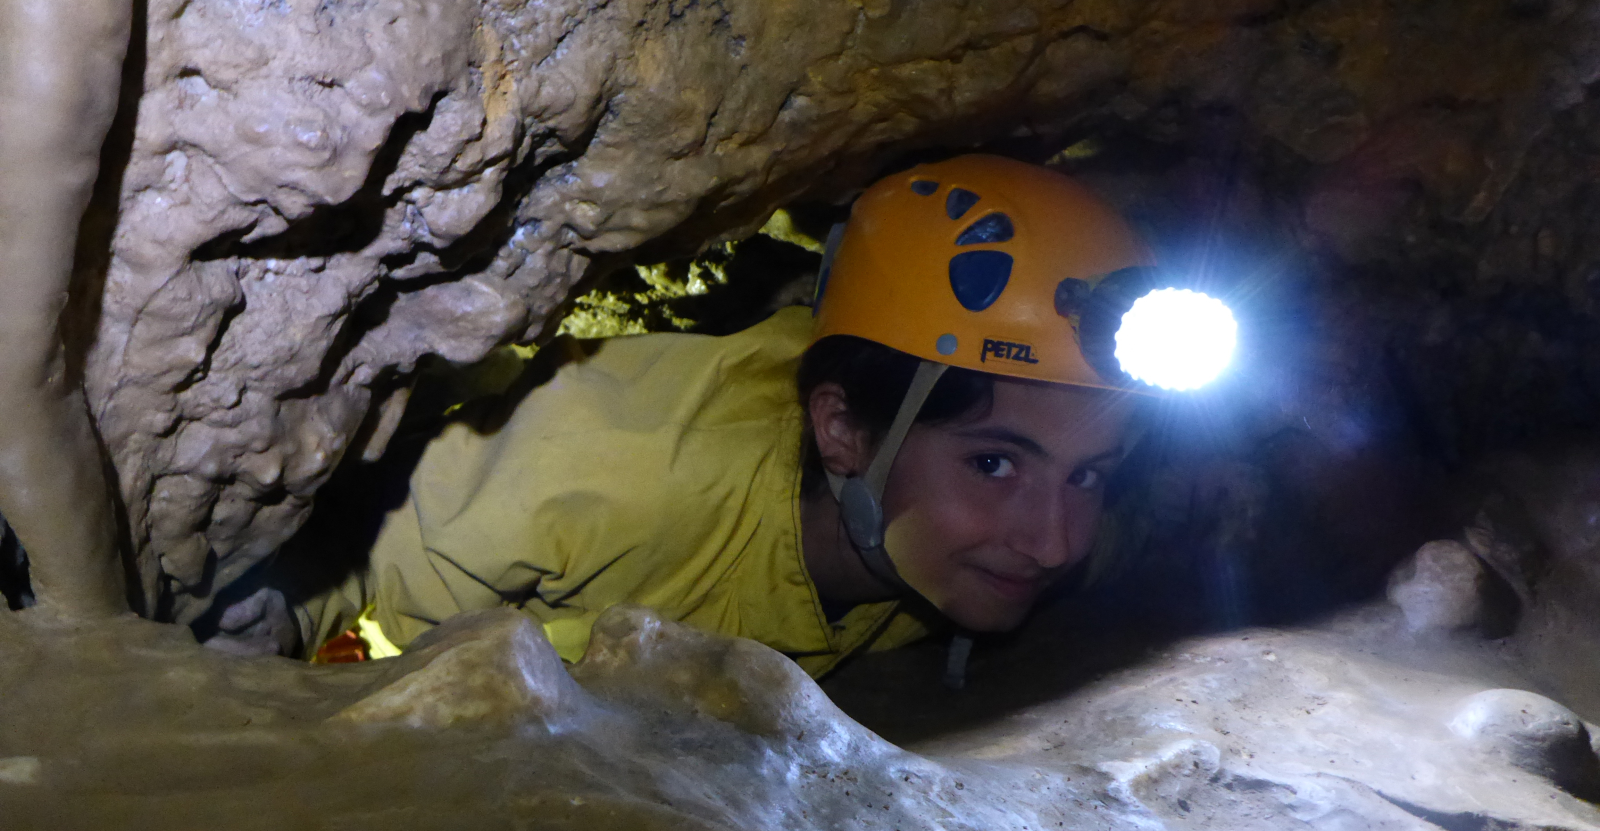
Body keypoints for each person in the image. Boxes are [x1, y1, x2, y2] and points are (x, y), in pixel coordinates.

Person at [224, 154, 1235, 677]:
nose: (1052, 541)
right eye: (995, 466)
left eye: (1090, 474)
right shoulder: (602, 470)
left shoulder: (1000, 552)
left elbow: (1135, 542)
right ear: (841, 430)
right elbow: (318, 587)